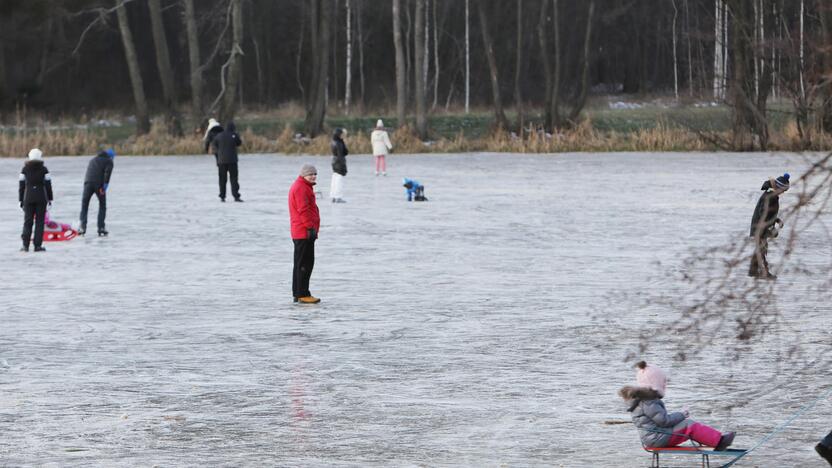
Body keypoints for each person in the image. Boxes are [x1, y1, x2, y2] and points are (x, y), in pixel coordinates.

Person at [619, 361, 736, 451]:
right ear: (655, 384)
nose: (664, 385)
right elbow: (664, 421)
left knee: (686, 424)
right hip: (657, 438)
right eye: (663, 382)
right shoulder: (649, 401)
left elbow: (660, 421)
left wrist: (679, 417)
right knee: (690, 425)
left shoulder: (642, 400)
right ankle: (720, 441)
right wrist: (682, 414)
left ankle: (715, 439)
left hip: (653, 437)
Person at [289, 164, 321, 304]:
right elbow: (303, 210)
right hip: (303, 232)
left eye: (314, 174)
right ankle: (302, 293)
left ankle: (299, 292)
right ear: (303, 175)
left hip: (302, 231)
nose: (313, 176)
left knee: (301, 263)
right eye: (310, 174)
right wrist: (310, 228)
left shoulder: (303, 186)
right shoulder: (301, 188)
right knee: (305, 264)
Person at [749, 173, 789, 279]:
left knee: (760, 248)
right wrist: (769, 227)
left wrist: (777, 220)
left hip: (760, 226)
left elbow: (769, 213)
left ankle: (753, 271)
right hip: (760, 227)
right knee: (762, 249)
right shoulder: (770, 197)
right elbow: (763, 213)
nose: (783, 193)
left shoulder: (771, 196)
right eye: (784, 190)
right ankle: (764, 272)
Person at [18, 148, 53, 252]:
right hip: (41, 198)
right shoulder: (44, 169)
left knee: (27, 222)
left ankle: (25, 246)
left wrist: (20, 200)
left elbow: (21, 186)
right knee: (39, 222)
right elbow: (48, 185)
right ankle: (37, 246)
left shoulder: (24, 169)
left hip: (28, 198)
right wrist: (50, 199)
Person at [79, 148, 115, 236]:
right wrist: (104, 187)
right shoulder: (109, 161)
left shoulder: (93, 160)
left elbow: (88, 172)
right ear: (111, 156)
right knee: (102, 206)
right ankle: (101, 228)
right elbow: (107, 174)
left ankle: (82, 227)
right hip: (99, 185)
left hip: (87, 184)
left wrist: (86, 184)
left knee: (84, 205)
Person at [212, 121, 243, 202]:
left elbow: (214, 146)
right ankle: (236, 196)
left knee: (222, 179)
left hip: (221, 161)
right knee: (234, 179)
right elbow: (239, 143)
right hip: (232, 161)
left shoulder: (219, 135)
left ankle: (222, 196)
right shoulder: (234, 135)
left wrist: (217, 158)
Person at [330, 128, 349, 203]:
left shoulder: (334, 141)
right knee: (339, 180)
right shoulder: (339, 143)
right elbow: (342, 154)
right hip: (339, 162)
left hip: (334, 162)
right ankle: (338, 196)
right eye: (342, 134)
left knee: (335, 179)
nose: (343, 136)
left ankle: (333, 196)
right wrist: (343, 167)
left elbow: (346, 152)